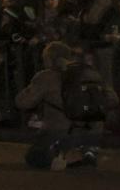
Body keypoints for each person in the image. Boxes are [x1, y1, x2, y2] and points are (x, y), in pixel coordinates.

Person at [15, 40, 109, 170]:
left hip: (59, 131)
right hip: (89, 131)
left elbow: (23, 102)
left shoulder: (46, 77)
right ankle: (87, 153)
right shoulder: (87, 73)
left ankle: (59, 155)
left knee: (34, 157)